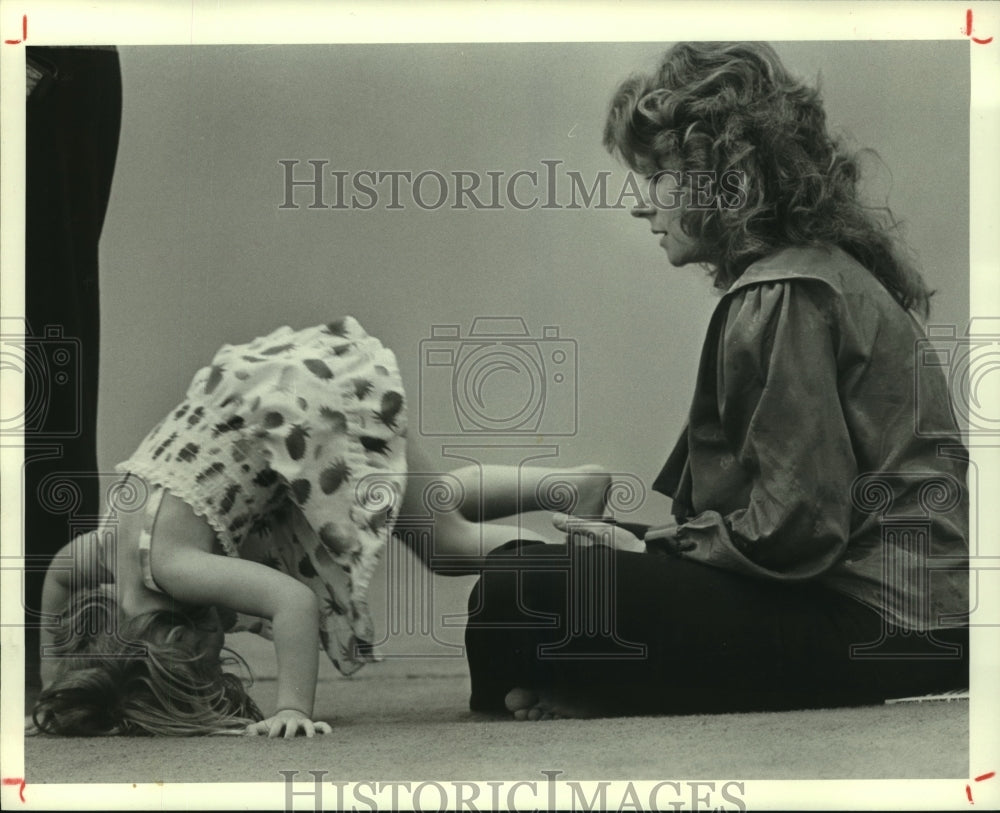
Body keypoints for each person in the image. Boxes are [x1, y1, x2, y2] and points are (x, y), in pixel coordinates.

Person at [465, 42, 970, 720]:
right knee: (531, 563)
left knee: (518, 586)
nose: (644, 206)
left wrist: (659, 546)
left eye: (658, 176)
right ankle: (596, 683)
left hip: (880, 626)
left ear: (721, 179)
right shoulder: (811, 273)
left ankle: (600, 688)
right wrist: (648, 546)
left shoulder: (787, 289)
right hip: (893, 617)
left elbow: (798, 531)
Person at [31, 316, 608, 737]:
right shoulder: (107, 551)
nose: (223, 643)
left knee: (448, 546)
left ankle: (578, 567)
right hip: (273, 395)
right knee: (423, 505)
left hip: (299, 420)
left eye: (208, 662)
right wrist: (48, 687)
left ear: (175, 638)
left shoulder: (175, 568)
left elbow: (294, 604)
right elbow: (54, 580)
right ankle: (570, 487)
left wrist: (291, 708)